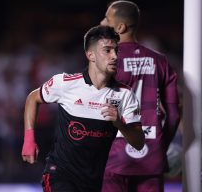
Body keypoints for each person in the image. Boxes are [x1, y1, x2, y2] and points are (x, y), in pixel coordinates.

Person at [21, 25, 145, 192]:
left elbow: (139, 143)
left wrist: (120, 124)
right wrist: (29, 140)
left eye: (116, 50)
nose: (115, 56)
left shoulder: (125, 94)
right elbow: (32, 98)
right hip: (60, 174)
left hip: (93, 181)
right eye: (107, 50)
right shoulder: (66, 83)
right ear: (90, 55)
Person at [100, 0, 181, 192]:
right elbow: (174, 115)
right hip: (151, 156)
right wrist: (161, 147)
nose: (102, 23)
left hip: (114, 155)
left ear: (120, 27)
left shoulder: (106, 61)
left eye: (107, 19)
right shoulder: (160, 60)